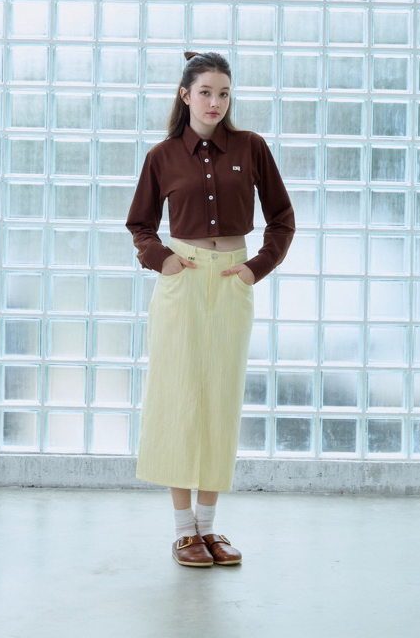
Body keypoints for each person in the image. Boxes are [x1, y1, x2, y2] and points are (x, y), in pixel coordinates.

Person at [126, 51, 295, 568]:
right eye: (205, 92)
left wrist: (255, 268)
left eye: (223, 93)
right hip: (182, 280)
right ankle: (184, 531)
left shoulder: (251, 147)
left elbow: (283, 218)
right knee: (178, 398)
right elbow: (139, 224)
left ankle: (208, 527)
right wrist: (163, 260)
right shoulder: (162, 156)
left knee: (220, 397)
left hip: (231, 281)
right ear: (185, 95)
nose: (215, 102)